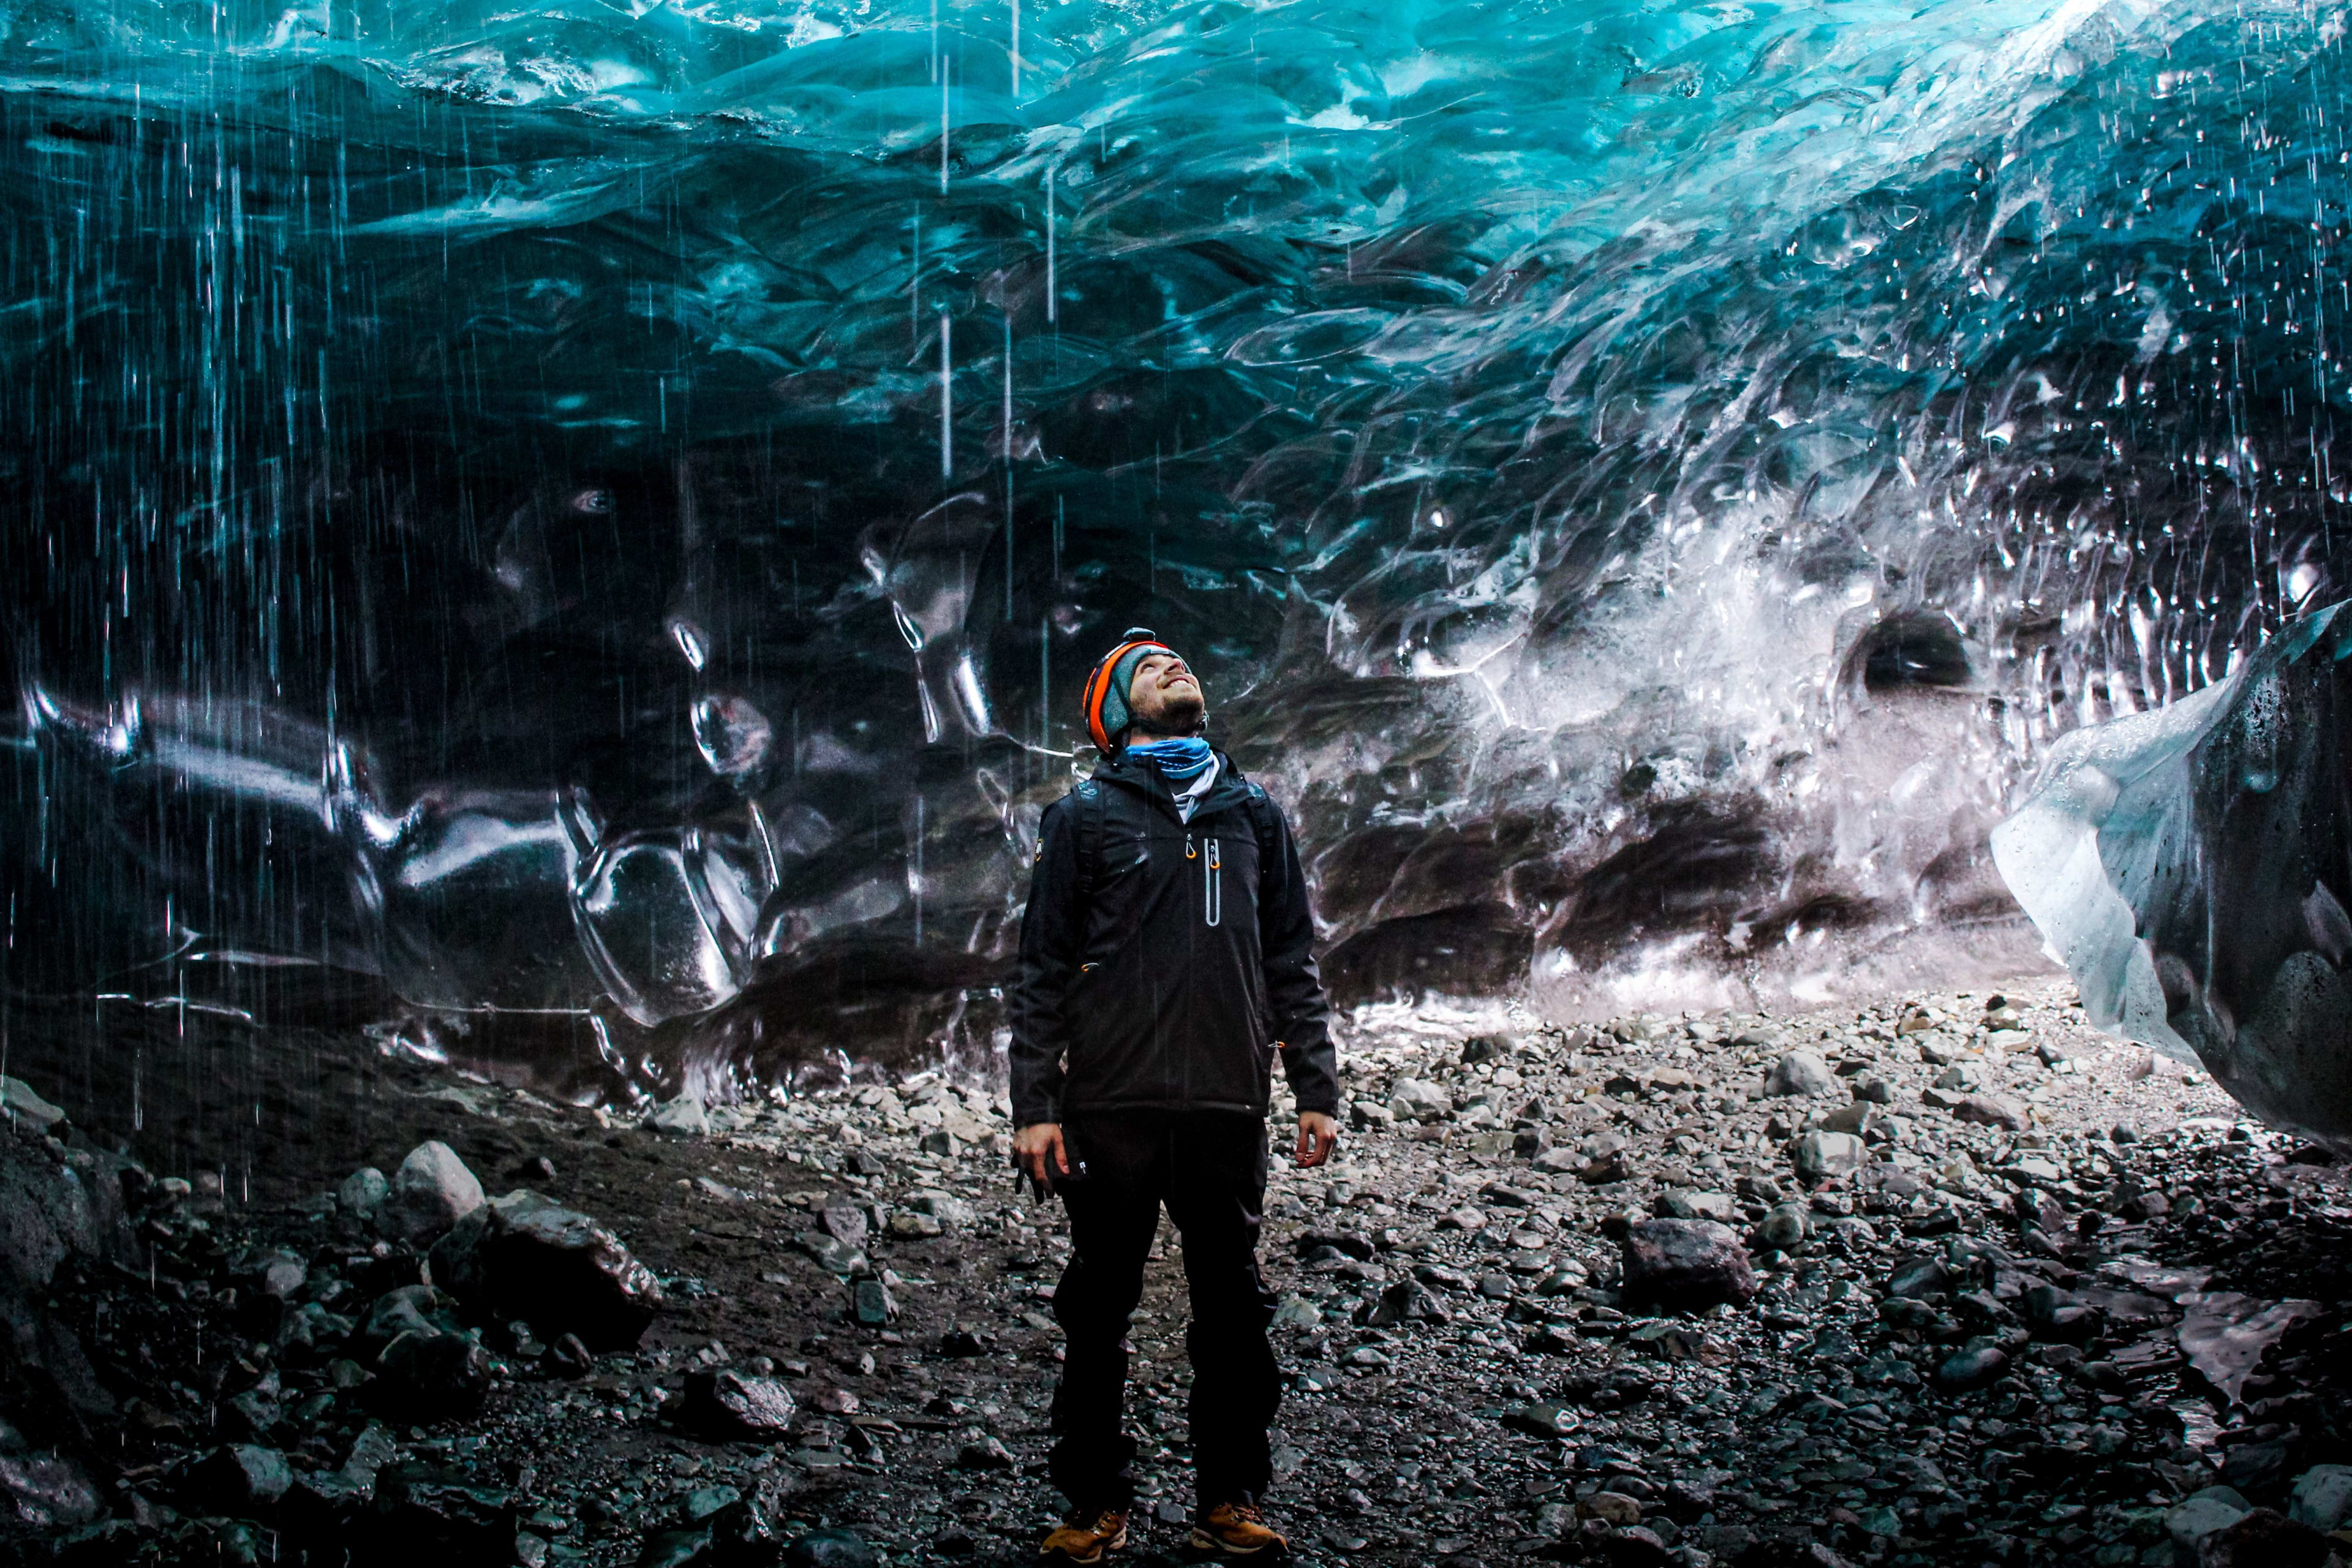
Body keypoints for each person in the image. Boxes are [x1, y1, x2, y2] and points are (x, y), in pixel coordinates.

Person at [1009, 628, 1341, 1563]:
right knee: (1098, 1308)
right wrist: (1034, 1106)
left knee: (1233, 1308)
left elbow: (1289, 960)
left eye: (1180, 660)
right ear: (1114, 714)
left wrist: (1315, 1085)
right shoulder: (1082, 817)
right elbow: (1038, 972)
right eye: (1146, 668)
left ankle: (1228, 1498)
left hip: (1227, 1106)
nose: (1173, 665)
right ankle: (1093, 1503)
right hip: (1109, 1106)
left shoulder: (1253, 812)